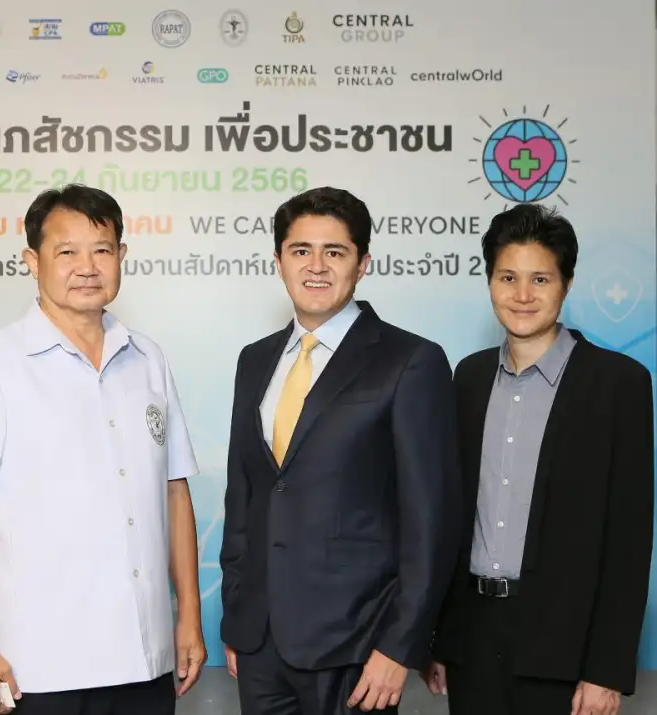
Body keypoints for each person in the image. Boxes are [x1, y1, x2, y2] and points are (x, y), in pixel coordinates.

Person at [0, 184, 206, 715]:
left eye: (102, 250)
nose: (87, 267)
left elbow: (175, 495)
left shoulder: (148, 358)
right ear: (32, 260)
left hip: (146, 660)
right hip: (37, 666)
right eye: (67, 252)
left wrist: (189, 619)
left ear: (121, 255)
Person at [219, 186, 461, 714]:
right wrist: (238, 615)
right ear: (278, 261)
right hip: (260, 643)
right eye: (300, 250)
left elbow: (432, 520)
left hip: (359, 646)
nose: (316, 266)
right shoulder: (254, 360)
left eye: (335, 251)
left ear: (363, 263)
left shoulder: (410, 360)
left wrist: (400, 646)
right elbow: (244, 496)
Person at [424, 203, 654, 715]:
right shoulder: (469, 377)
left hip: (565, 649)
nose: (522, 295)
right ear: (489, 282)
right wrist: (441, 637)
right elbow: (452, 517)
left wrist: (606, 669)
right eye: (508, 277)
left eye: (540, 279)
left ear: (566, 284)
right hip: (472, 642)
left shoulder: (618, 384)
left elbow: (630, 538)